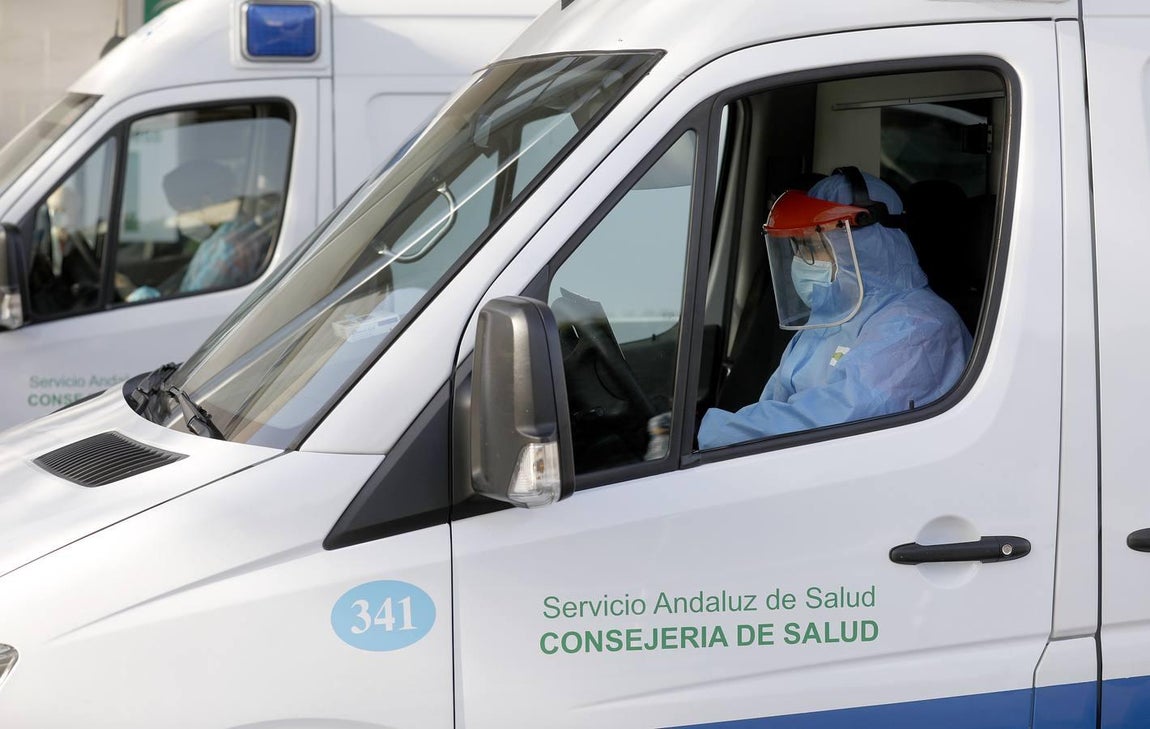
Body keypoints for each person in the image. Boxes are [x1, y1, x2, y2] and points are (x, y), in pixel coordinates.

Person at [697, 168, 972, 449]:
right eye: (799, 247)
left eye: (814, 246)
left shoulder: (919, 327)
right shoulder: (831, 318)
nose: (802, 260)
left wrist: (708, 436)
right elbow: (774, 405)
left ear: (863, 245)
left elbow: (828, 424)